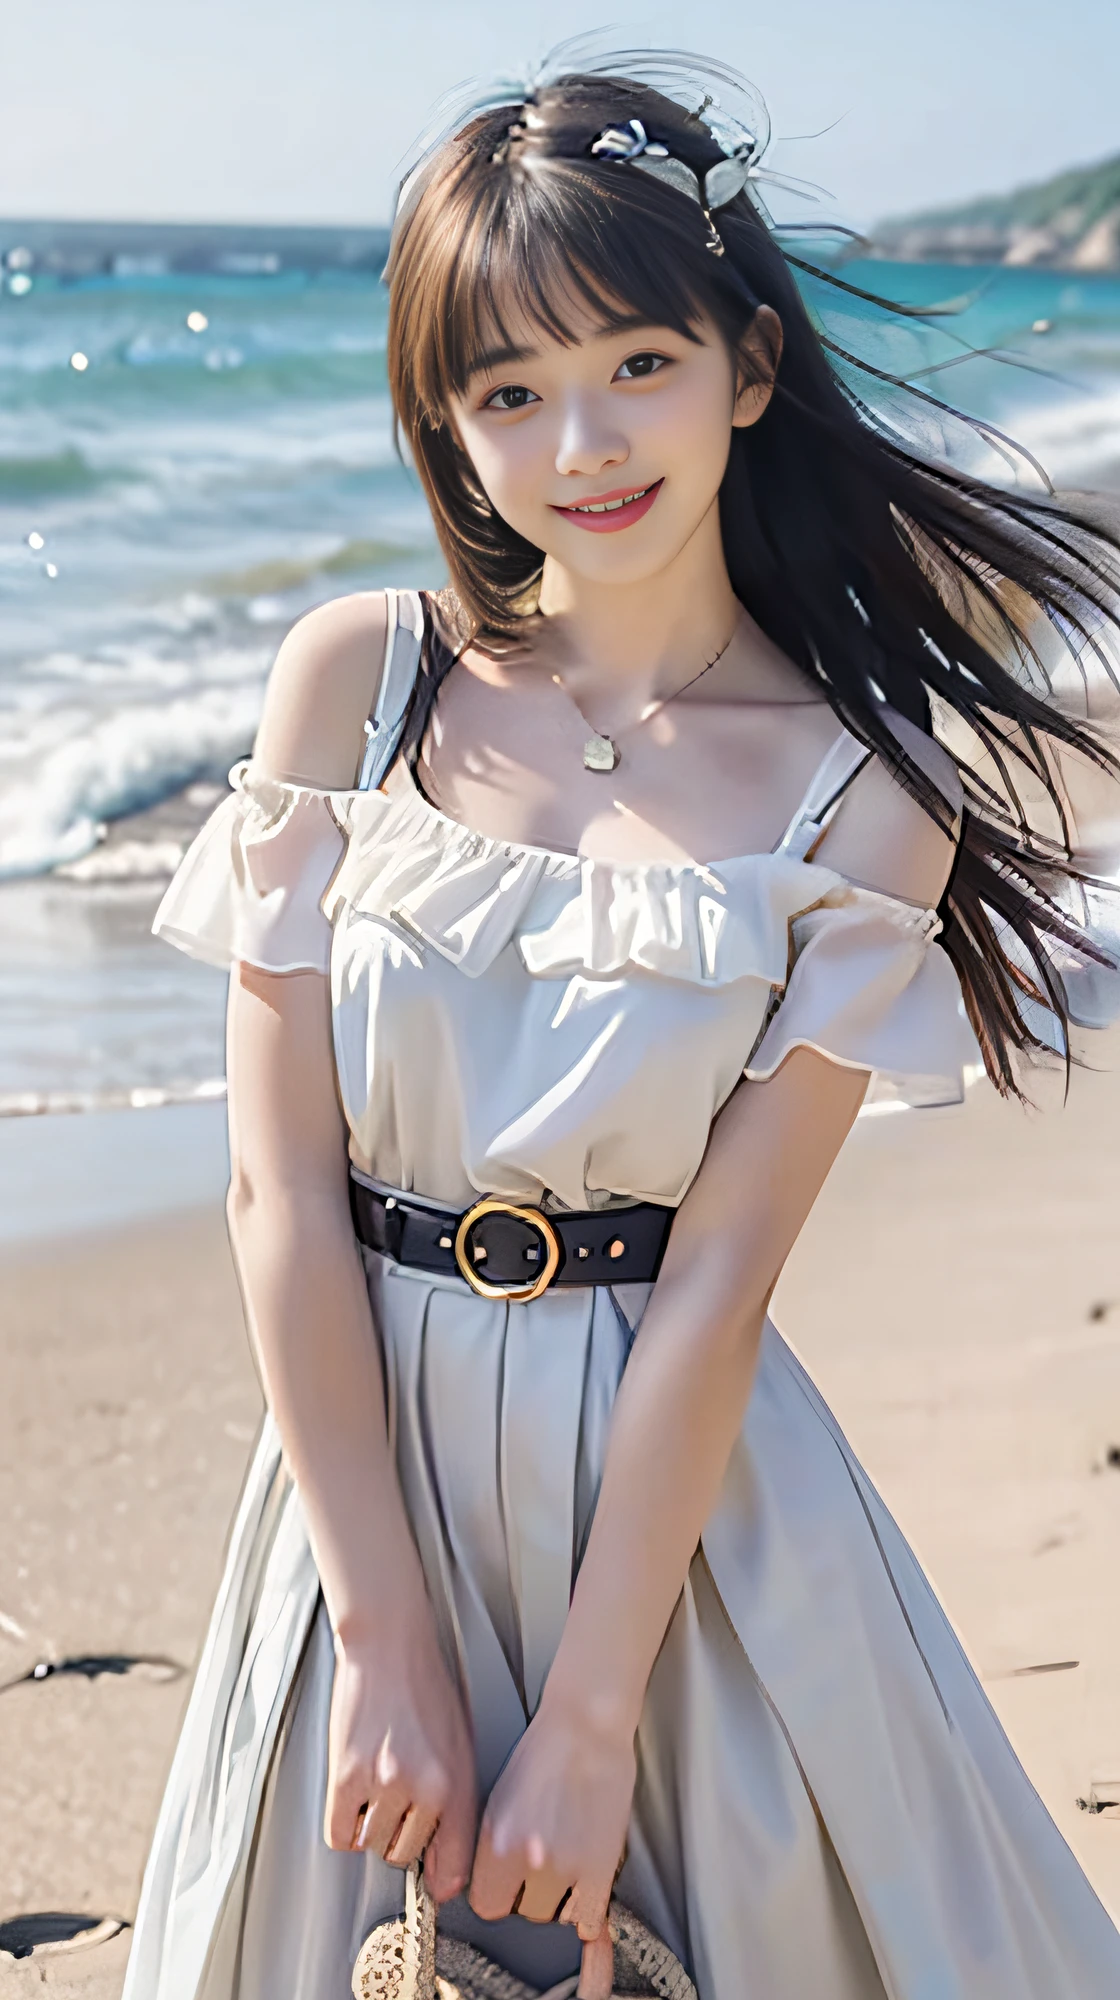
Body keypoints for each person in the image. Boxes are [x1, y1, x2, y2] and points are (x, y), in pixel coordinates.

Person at [128, 50, 1120, 2000]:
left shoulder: (860, 787)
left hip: (682, 1516)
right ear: (448, 429)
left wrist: (590, 1712)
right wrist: (383, 1634)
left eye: (636, 363)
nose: (583, 439)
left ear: (747, 363)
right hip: (362, 1476)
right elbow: (272, 1189)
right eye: (509, 392)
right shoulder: (353, 684)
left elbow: (725, 1275)